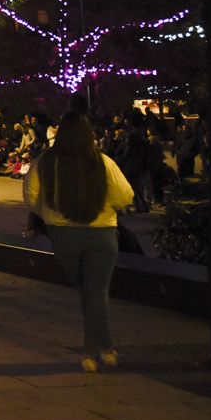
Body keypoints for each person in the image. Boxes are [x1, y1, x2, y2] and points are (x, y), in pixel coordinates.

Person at [23, 110, 136, 373]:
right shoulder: (103, 162)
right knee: (95, 293)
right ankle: (100, 349)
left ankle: (96, 351)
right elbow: (124, 196)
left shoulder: (46, 162)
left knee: (89, 292)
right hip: (102, 234)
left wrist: (50, 215)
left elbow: (31, 196)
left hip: (64, 234)